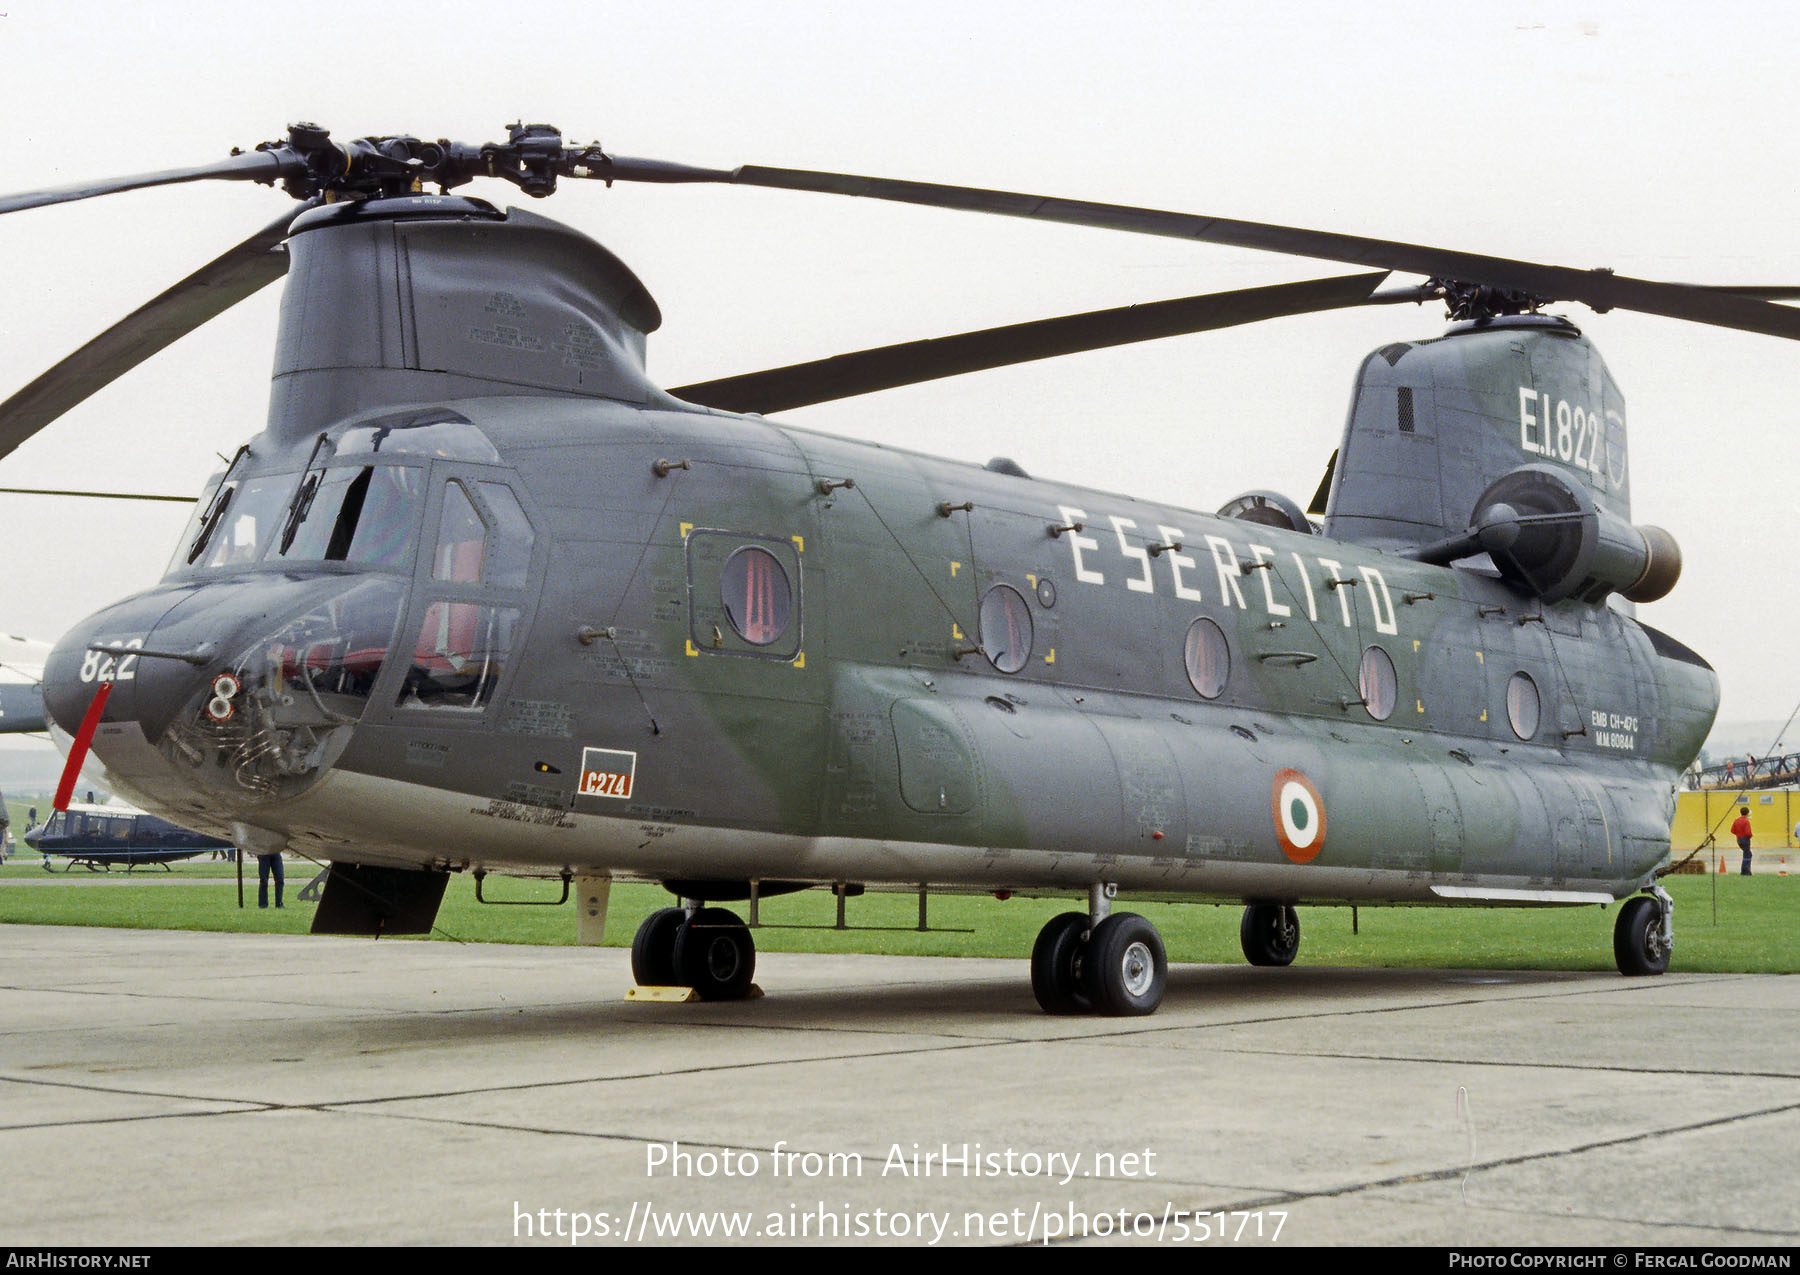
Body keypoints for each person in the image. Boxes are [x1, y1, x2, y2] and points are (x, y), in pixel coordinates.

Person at [1731, 806, 1754, 876]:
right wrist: (1750, 836)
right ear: (1747, 813)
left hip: (1739, 839)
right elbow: (1748, 832)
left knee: (1747, 854)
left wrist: (1738, 834)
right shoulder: (1746, 821)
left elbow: (1732, 830)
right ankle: (1745, 871)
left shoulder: (1736, 820)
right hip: (1745, 839)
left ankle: (1746, 870)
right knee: (1747, 854)